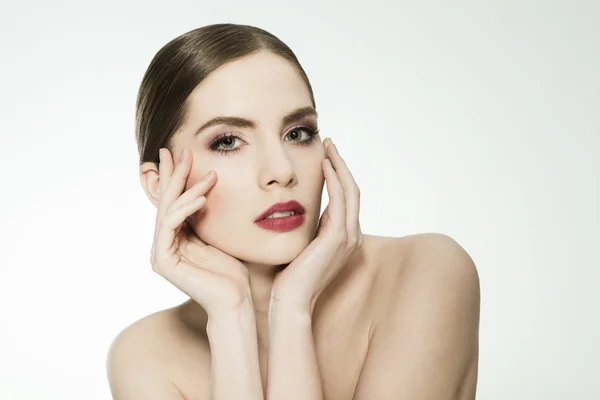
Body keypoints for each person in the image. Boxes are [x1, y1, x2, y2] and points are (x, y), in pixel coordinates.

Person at [106, 23, 481, 400]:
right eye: (228, 141)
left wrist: (291, 309)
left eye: (298, 133)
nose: (281, 171)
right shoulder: (144, 356)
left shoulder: (424, 272)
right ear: (161, 183)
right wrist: (230, 318)